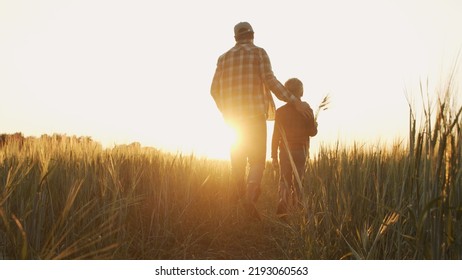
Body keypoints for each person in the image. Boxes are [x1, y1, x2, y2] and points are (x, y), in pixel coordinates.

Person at [211, 22, 311, 219]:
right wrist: (294, 101)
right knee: (257, 160)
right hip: (255, 117)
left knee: (238, 160)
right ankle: (249, 196)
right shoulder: (259, 53)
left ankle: (237, 199)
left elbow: (214, 90)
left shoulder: (223, 58)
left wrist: (225, 111)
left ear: (235, 38)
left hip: (233, 120)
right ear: (252, 35)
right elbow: (270, 80)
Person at [271, 78, 318, 216]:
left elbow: (275, 136)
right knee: (299, 180)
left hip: (284, 151)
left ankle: (283, 204)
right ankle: (298, 208)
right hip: (301, 151)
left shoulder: (280, 112)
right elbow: (312, 132)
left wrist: (273, 155)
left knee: (284, 179)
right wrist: (315, 126)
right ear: (301, 91)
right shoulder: (307, 108)